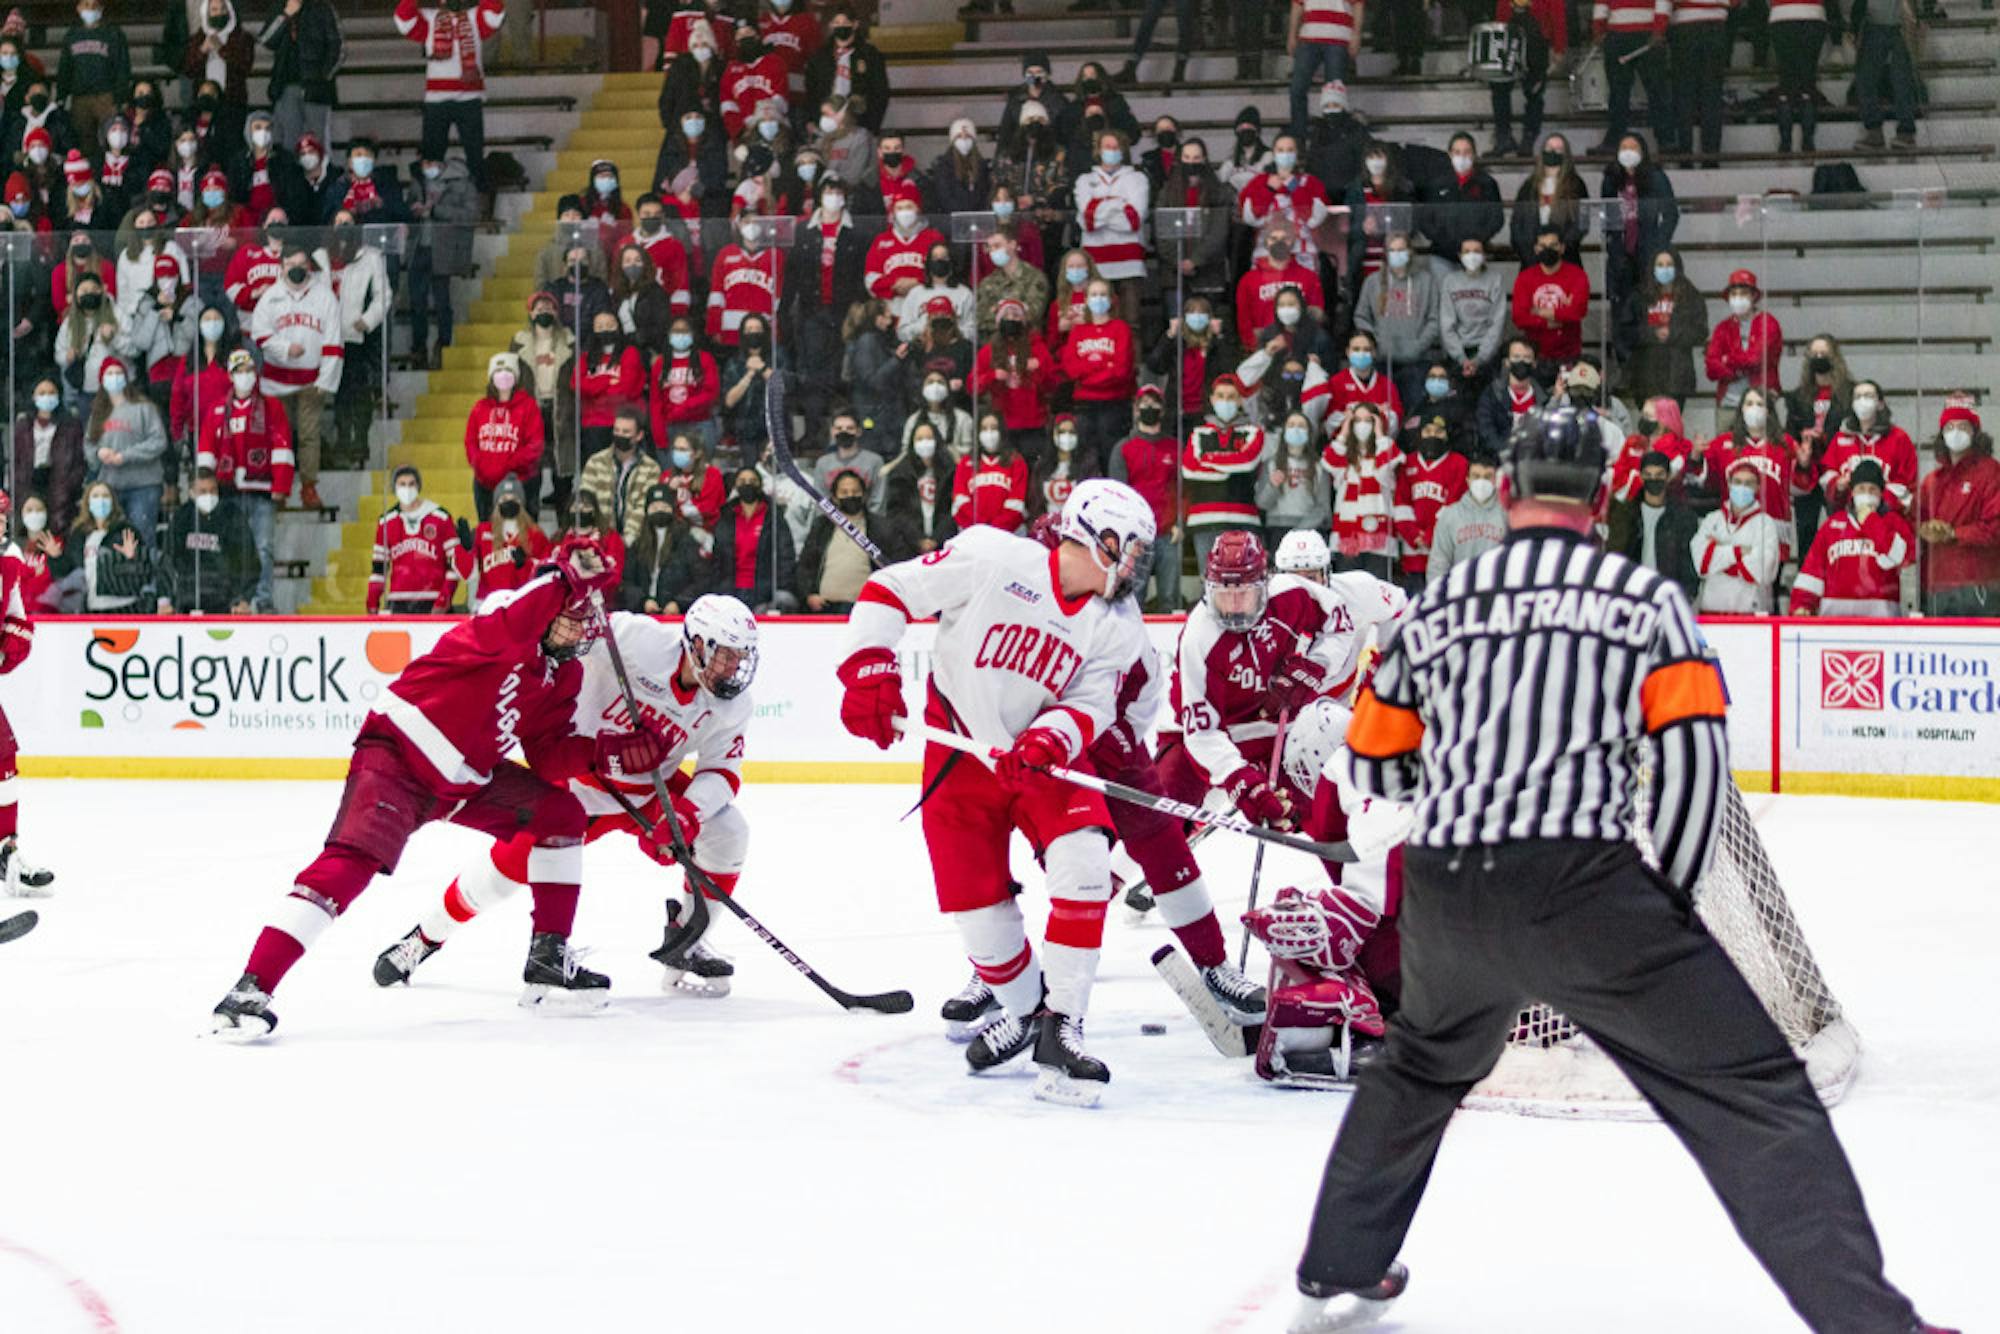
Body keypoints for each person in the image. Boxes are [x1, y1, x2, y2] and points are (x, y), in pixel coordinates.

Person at [1286, 406, 1946, 1334]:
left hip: (1446, 885)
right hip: (1582, 885)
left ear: (1507, 493)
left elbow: (1376, 762)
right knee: (1751, 1091)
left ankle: (1335, 1267)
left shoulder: (1435, 606)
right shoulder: (1643, 599)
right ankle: (1872, 1323)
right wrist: (1665, 908)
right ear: (1600, 499)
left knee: (1422, 1066)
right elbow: (1693, 769)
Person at [208, 549, 633, 1038]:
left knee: (560, 813)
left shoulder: (565, 675)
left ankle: (548, 959)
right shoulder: (502, 615)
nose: (583, 634)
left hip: (465, 784)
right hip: (399, 759)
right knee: (350, 865)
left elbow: (547, 754)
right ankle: (249, 990)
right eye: (573, 622)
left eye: (587, 624)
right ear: (548, 607)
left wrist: (606, 754)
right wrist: (563, 577)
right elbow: (520, 617)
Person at [837, 480, 1154, 1103]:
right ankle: (1028, 1012)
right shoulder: (993, 557)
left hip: (1037, 764)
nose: (1139, 562)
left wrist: (1049, 739)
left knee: (1085, 861)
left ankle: (1064, 1026)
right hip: (959, 755)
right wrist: (868, 666)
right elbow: (891, 588)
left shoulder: (1118, 624)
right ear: (1100, 537)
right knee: (982, 922)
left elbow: (1090, 701)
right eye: (1133, 547)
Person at [371, 596, 760, 998]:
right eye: (726, 656)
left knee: (728, 831)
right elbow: (565, 639)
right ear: (695, 643)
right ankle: (425, 937)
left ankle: (688, 941)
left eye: (740, 658)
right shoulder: (634, 639)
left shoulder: (732, 705)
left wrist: (686, 814)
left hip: (648, 791)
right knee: (501, 876)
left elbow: (722, 771)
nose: (733, 669)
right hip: (579, 785)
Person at [195, 348, 292, 611]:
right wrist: (206, 486)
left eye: (249, 370)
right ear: (230, 375)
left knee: (263, 548)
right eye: (239, 371)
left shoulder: (271, 407)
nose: (245, 376)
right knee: (231, 549)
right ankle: (235, 600)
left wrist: (281, 485)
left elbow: (282, 447)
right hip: (228, 493)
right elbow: (206, 451)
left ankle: (262, 600)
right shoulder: (217, 411)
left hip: (262, 491)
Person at [250, 244, 340, 511]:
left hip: (311, 381)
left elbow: (334, 341)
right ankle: (280, 488)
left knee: (310, 435)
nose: (297, 269)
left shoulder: (324, 296)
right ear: (282, 267)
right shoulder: (270, 297)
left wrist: (326, 379)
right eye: (291, 265)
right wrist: (286, 348)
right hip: (276, 382)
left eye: (302, 263)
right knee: (280, 437)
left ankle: (309, 487)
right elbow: (260, 335)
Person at [0, 489, 54, 897]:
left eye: (4, 516)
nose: (3, 523)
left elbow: (18, 621)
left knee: (4, 757)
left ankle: (7, 851)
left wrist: (5, 648)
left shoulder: (9, 563)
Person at [1788, 459, 1909, 617]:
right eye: (1861, 489)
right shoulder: (1832, 526)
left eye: (1872, 490)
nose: (1866, 494)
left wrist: (1871, 521)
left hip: (1882, 622)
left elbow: (1904, 557)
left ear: (1881, 493)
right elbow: (1813, 571)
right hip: (1835, 622)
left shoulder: (1894, 523)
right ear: (1852, 492)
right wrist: (1802, 604)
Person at [1697, 388, 1808, 558]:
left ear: (1769, 411)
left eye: (1760, 404)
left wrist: (1804, 465)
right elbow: (1708, 484)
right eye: (1749, 403)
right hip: (1735, 527)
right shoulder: (1722, 443)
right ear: (1741, 408)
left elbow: (1799, 488)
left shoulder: (1785, 444)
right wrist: (1696, 457)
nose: (1754, 408)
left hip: (1775, 527)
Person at [1915, 404, 2000, 616]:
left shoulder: (1990, 472)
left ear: (1975, 433)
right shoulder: (1932, 481)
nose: (1956, 432)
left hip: (1979, 582)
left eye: (1963, 427)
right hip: (1937, 584)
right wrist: (1923, 530)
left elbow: (1994, 527)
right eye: (1950, 427)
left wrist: (1953, 534)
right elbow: (1915, 521)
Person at [1109, 385, 1182, 610]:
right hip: (1135, 535)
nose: (1149, 408)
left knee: (1170, 596)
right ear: (1136, 409)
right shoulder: (1124, 448)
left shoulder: (1174, 447)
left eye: (1155, 404)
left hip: (1168, 533)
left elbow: (1182, 490)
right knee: (1132, 597)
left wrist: (1179, 522)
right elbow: (1118, 493)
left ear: (1162, 410)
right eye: (1145, 404)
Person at [405, 151, 480, 369]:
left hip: (444, 248)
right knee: (416, 303)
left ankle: (443, 347)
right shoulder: (417, 181)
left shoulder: (461, 181)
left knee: (442, 302)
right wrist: (413, 211)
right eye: (424, 161)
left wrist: (436, 210)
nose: (427, 166)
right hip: (418, 248)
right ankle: (419, 349)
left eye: (431, 161)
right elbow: (407, 208)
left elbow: (471, 214)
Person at [1182, 375, 1266, 568]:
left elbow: (1247, 462)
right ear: (1212, 399)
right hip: (1203, 519)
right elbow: (1189, 469)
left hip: (1243, 518)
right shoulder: (1199, 433)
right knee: (1209, 582)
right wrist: (1230, 466)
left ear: (1239, 400)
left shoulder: (1253, 432)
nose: (1225, 401)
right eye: (1220, 396)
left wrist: (1209, 459)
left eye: (1231, 396)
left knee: (1245, 581)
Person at [86, 356, 168, 554]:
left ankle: (148, 583)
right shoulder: (97, 413)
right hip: (111, 488)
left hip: (144, 486)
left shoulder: (144, 408)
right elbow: (88, 446)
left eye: (118, 373)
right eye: (109, 374)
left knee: (143, 538)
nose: (114, 377)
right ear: (102, 380)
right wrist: (98, 453)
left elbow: (159, 441)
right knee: (112, 541)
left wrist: (126, 456)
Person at [1352, 233, 1441, 414]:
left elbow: (1434, 319)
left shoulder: (1426, 281)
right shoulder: (1373, 282)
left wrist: (1418, 345)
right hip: (1382, 360)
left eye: (1401, 249)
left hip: (1416, 361)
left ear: (1410, 251)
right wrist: (1375, 342)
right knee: (1380, 411)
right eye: (1392, 250)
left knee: (1414, 412)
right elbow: (1361, 316)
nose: (1396, 254)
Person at [1059, 277, 1137, 468]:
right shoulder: (1078, 331)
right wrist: (1104, 367)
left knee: (1110, 455)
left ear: (1111, 299)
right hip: (1084, 404)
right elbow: (1071, 369)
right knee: (1084, 456)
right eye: (1094, 294)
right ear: (1086, 299)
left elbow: (1121, 370)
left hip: (1114, 403)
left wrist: (1088, 373)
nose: (1098, 299)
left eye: (1103, 294)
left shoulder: (1121, 329)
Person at [1614, 247, 1706, 407]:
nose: (1665, 269)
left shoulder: (1691, 296)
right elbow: (1625, 332)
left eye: (1669, 264)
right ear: (1652, 268)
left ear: (1677, 267)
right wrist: (1652, 334)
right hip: (1645, 374)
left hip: (1677, 376)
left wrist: (1672, 334)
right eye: (1660, 265)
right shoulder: (1639, 296)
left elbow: (1700, 331)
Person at [156, 466, 255, 613]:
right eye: (202, 492)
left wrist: (244, 599)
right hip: (187, 599)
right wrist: (164, 600)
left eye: (213, 490)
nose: (209, 495)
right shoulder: (181, 518)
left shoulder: (232, 516)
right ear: (191, 493)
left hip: (225, 600)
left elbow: (247, 561)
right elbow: (168, 561)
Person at [1692, 458, 1785, 613]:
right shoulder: (1712, 519)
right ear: (1729, 483)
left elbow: (1761, 571)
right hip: (1711, 612)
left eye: (1749, 483)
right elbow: (1702, 564)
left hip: (1750, 614)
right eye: (1737, 481)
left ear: (1757, 487)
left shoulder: (1766, 523)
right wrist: (1739, 552)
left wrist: (1718, 551)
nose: (1742, 487)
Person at [1607, 449, 1700, 601]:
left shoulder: (1684, 517)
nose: (1653, 480)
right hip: (1630, 593)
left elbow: (1688, 562)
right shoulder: (1625, 514)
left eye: (1659, 475)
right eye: (1648, 475)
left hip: (1668, 595)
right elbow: (1616, 554)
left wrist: (1687, 595)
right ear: (1641, 476)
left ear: (1668, 476)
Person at [1598, 134, 1677, 313]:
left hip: (1648, 251)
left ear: (1643, 152)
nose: (1628, 152)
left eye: (1633, 148)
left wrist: (1659, 246)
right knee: (1622, 310)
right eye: (1623, 148)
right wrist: (1613, 245)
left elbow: (1671, 214)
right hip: (1620, 254)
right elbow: (1608, 215)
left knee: (1648, 307)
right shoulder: (1611, 179)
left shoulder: (1656, 177)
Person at [367, 466, 461, 615]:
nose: (407, 488)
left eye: (411, 484)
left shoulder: (440, 517)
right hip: (398, 602)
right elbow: (379, 568)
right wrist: (372, 602)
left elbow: (456, 564)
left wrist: (444, 598)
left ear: (418, 486)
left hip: (433, 600)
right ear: (395, 488)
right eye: (402, 484)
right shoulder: (386, 521)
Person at [465, 351, 544, 523]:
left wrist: (507, 465)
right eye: (498, 371)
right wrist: (480, 464)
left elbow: (535, 445)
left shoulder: (528, 406)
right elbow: (471, 442)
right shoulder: (480, 407)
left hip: (521, 481)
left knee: (524, 535)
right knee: (487, 534)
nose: (503, 376)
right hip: (484, 483)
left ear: (516, 376)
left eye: (508, 371)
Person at [1322, 402, 1400, 578]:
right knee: (1349, 591)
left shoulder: (1383, 451)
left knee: (1378, 592)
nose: (1362, 425)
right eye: (1357, 420)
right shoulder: (1345, 457)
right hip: (1347, 535)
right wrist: (1344, 430)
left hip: (1378, 536)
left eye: (1368, 420)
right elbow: (1329, 460)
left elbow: (1388, 463)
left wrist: (1380, 433)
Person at [1819, 380, 1918, 516]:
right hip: (1848, 521)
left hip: (1887, 519)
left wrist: (1880, 500)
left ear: (1880, 403)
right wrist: (1838, 486)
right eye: (1857, 396)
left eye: (1868, 395)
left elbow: (1908, 483)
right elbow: (1827, 475)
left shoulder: (1899, 439)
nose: (1862, 400)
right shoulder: (1840, 439)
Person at [1391, 413, 1466, 591]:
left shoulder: (1458, 463)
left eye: (1439, 431)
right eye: (1428, 430)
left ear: (1447, 434)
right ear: (1420, 433)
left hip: (1443, 551)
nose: (1433, 435)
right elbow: (1402, 503)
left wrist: (1431, 536)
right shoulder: (1408, 463)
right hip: (1413, 552)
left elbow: (1453, 503)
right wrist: (1413, 535)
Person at [1589, 0, 1674, 155]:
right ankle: (1615, 139)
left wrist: (1658, 30)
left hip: (1646, 33)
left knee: (1656, 89)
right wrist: (1599, 30)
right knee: (1618, 92)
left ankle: (1665, 139)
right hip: (1620, 35)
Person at [711, 461, 796, 612]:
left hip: (765, 591)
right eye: (742, 481)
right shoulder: (726, 517)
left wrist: (778, 586)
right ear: (735, 486)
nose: (747, 484)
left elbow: (785, 554)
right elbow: (718, 558)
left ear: (760, 485)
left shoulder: (773, 516)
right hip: (731, 590)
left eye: (752, 481)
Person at [259, 0, 341, 154]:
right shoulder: (279, 7)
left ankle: (320, 177)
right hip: (285, 86)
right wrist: (285, 15)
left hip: (316, 88)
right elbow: (266, 40)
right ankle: (291, 177)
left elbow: (338, 48)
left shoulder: (323, 8)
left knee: (318, 143)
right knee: (289, 143)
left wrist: (322, 78)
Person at [56, 480, 149, 612]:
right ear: (88, 502)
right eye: (96, 496)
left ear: (113, 501)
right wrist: (56, 557)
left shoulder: (126, 531)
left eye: (105, 496)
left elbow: (145, 573)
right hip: (89, 608)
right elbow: (68, 571)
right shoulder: (79, 535)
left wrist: (132, 558)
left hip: (124, 607)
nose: (101, 500)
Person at [798, 468, 882, 612]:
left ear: (864, 495)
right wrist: (809, 595)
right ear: (835, 497)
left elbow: (890, 567)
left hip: (866, 608)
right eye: (844, 492)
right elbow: (806, 565)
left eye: (855, 492)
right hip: (825, 607)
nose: (851, 496)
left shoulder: (880, 527)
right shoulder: (821, 526)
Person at [1704, 268, 1782, 423]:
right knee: (1723, 446)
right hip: (1728, 403)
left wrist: (1726, 359)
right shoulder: (1722, 328)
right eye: (1734, 294)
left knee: (1762, 446)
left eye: (1743, 293)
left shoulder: (1768, 323)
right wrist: (1736, 373)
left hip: (1761, 401)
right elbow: (1711, 367)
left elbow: (1755, 358)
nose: (1738, 298)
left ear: (1754, 296)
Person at [1235, 220, 1324, 353]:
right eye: (1273, 238)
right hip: (1262, 350)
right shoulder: (1248, 280)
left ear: (1293, 241)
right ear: (1266, 241)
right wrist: (1255, 349)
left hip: (1300, 350)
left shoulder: (1309, 277)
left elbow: (1317, 316)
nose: (1279, 242)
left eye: (1285, 238)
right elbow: (1244, 320)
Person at [11, 379, 84, 537]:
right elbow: (15, 461)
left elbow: (79, 461)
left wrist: (71, 484)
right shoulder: (23, 425)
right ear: (33, 397)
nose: (47, 397)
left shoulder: (70, 425)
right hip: (30, 481)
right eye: (42, 393)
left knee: (58, 529)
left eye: (51, 393)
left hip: (60, 482)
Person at [1510, 226, 1588, 375]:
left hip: (1569, 355)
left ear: (1562, 248)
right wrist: (1551, 319)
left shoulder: (1577, 275)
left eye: (1553, 245)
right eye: (1543, 246)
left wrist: (1537, 311)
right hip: (1534, 356)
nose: (1548, 250)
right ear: (1536, 249)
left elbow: (1577, 312)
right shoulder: (1525, 278)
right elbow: (1519, 317)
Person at [1489, 0, 1563, 157]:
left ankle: (1529, 137)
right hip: (1507, 33)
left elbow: (1557, 11)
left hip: (1537, 38)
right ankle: (1503, 137)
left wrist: (1559, 46)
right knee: (1499, 85)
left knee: (1534, 91)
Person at [468, 474, 551, 611]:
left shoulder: (535, 534)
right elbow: (468, 573)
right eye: (504, 499)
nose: (509, 502)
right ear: (496, 503)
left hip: (522, 602)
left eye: (514, 499)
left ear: (522, 503)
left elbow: (546, 573)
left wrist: (527, 564)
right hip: (488, 603)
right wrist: (464, 549)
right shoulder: (483, 531)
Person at [1437, 237, 1505, 400]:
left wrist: (1480, 358)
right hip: (1457, 354)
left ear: (1484, 255)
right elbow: (1447, 324)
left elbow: (1497, 322)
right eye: (1467, 251)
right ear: (1460, 255)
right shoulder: (1450, 281)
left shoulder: (1495, 279)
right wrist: (1461, 358)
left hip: (1487, 354)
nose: (1472, 256)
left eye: (1476, 251)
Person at [617, 484, 703, 612]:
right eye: (654, 507)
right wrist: (643, 601)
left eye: (664, 507)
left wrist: (679, 603)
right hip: (643, 613)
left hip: (675, 613)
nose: (659, 511)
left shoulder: (686, 542)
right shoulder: (638, 544)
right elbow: (627, 582)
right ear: (647, 511)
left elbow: (700, 580)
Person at [1424, 447, 1505, 583]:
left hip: (1497, 594)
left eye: (1487, 477)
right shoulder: (1450, 515)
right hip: (1460, 594)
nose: (1482, 482)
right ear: (1467, 479)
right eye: (1476, 476)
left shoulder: (1508, 515)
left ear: (1496, 480)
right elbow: (1438, 564)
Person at [803, 8, 889, 134]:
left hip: (859, 121)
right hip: (826, 120)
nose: (841, 26)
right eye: (836, 22)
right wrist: (812, 118)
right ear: (831, 25)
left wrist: (873, 124)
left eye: (845, 22)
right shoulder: (819, 57)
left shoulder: (870, 54)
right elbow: (811, 92)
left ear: (855, 24)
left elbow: (880, 91)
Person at [879, 426, 958, 561]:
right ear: (912, 443)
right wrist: (918, 540)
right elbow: (896, 512)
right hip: (909, 546)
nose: (924, 443)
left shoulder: (950, 471)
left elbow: (953, 509)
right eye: (919, 439)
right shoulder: (901, 473)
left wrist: (936, 539)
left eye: (929, 438)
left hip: (944, 544)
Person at [1257, 410, 1331, 552]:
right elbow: (1262, 503)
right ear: (1284, 431)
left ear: (1309, 432)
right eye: (1291, 425)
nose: (1296, 429)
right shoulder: (1271, 463)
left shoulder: (1319, 467)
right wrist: (1273, 486)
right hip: (1278, 529)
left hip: (1309, 531)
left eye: (1301, 426)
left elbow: (1323, 507)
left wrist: (1300, 530)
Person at [1508, 133, 1587, 267]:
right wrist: (1528, 252)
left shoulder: (1576, 185)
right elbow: (1517, 222)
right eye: (1549, 147)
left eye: (1558, 149)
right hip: (1532, 260)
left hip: (1565, 259)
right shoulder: (1529, 186)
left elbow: (1582, 222)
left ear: (1566, 154)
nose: (1552, 151)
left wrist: (1560, 248)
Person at [1770, 0, 1839, 152]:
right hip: (1813, 14)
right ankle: (1808, 141)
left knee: (1786, 81)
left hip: (1782, 15)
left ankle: (1785, 142)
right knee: (1808, 83)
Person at [1286, 0, 1361, 138]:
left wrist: (1356, 35)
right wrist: (1292, 34)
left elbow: (1358, 4)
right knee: (1297, 89)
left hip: (1338, 36)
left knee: (1334, 95)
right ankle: (1299, 137)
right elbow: (1297, 4)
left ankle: (1334, 138)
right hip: (1309, 36)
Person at [1852, 0, 1917, 148]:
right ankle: (1875, 131)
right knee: (1866, 78)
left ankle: (1905, 130)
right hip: (1873, 22)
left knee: (1901, 79)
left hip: (1901, 23)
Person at [952, 414, 1029, 533]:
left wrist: (996, 527)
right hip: (973, 532)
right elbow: (960, 499)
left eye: (993, 428)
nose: (989, 433)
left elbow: (1017, 502)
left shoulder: (1016, 461)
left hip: (1009, 533)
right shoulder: (966, 463)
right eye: (984, 429)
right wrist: (980, 526)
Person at [1475, 337, 1543, 453]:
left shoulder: (1543, 397)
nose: (1521, 362)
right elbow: (1486, 430)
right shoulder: (1492, 394)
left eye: (1527, 358)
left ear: (1534, 363)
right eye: (1516, 357)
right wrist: (1506, 452)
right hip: (1499, 457)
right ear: (1506, 362)